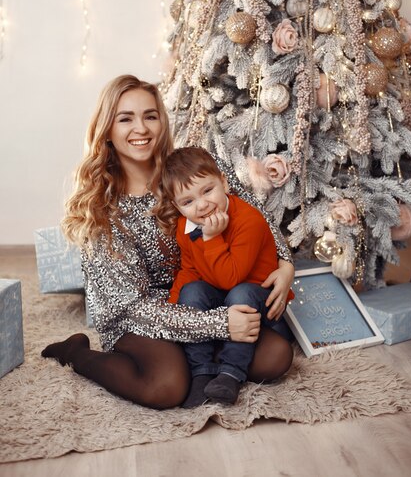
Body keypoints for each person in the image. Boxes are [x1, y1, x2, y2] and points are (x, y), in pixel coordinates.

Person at [41, 75, 295, 410]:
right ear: (107, 129)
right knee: (166, 387)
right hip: (140, 317)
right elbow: (134, 306)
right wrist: (221, 324)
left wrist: (285, 261)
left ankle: (201, 360)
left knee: (276, 357)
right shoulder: (102, 207)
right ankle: (76, 352)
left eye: (150, 115)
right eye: (126, 118)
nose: (141, 128)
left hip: (205, 295)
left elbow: (250, 212)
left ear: (162, 120)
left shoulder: (190, 168)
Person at [154, 146, 295, 407]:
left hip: (259, 301)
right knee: (191, 291)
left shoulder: (248, 221)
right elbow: (190, 269)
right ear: (178, 207)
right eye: (188, 201)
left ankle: (231, 374)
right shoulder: (186, 227)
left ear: (224, 182)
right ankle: (201, 372)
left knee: (240, 292)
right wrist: (175, 311)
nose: (202, 204)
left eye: (207, 190)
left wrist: (212, 238)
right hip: (222, 303)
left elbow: (232, 278)